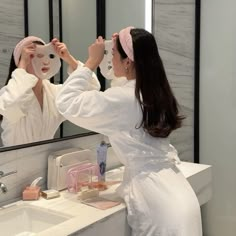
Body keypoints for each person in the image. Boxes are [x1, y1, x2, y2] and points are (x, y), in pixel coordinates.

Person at [56, 26, 202, 236]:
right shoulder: (153, 93)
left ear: (127, 62)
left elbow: (66, 102)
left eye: (112, 54)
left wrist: (91, 63)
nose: (109, 57)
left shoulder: (124, 99)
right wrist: (118, 49)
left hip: (156, 201)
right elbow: (120, 80)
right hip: (178, 193)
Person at [0, 36, 99, 146]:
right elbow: (12, 106)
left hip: (45, 159)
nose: (45, 61)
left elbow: (90, 89)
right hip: (14, 161)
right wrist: (22, 64)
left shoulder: (54, 94)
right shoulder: (7, 94)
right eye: (37, 56)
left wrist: (68, 58)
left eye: (49, 56)